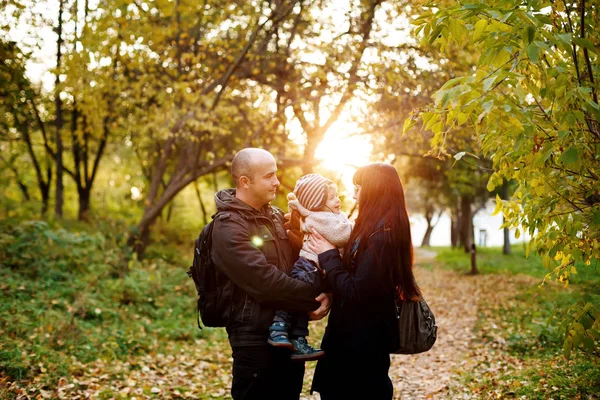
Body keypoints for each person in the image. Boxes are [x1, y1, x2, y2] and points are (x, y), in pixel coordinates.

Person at [211, 148, 331, 400]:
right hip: (254, 342)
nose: (277, 181)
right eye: (269, 176)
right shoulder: (227, 226)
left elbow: (309, 259)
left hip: (288, 340)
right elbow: (264, 282)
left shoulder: (277, 217)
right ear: (245, 181)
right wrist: (312, 299)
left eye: (276, 174)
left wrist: (328, 293)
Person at [306, 163, 422, 400]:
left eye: (358, 187)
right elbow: (356, 278)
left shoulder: (383, 235)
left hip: (360, 350)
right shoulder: (372, 228)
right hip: (352, 342)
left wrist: (327, 253)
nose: (353, 194)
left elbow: (358, 291)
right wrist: (331, 293)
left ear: (375, 190)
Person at [268, 174, 352, 361]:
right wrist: (358, 227)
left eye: (336, 195)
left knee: (303, 305)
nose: (337, 200)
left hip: (316, 271)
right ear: (316, 203)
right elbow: (341, 236)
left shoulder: (327, 215)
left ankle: (298, 339)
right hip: (308, 267)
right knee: (294, 298)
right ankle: (277, 328)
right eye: (331, 198)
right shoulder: (319, 217)